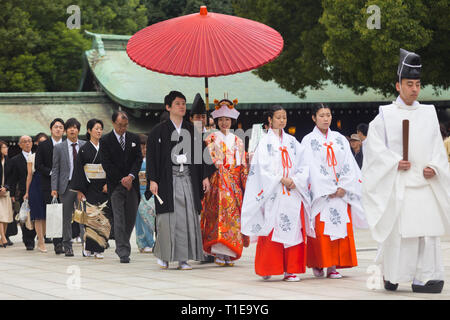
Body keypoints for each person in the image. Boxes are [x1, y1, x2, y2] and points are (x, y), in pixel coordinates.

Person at [362, 48, 450, 294]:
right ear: (398, 86)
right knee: (401, 234)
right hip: (400, 183)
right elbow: (374, 151)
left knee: (427, 234)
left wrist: (435, 166)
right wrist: (393, 162)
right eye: (409, 84)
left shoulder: (428, 113)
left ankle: (427, 278)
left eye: (417, 84)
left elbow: (437, 148)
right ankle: (393, 275)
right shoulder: (385, 116)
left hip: (425, 183)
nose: (414, 89)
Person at [241, 105, 312, 281]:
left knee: (293, 228)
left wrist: (296, 180)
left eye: (284, 117)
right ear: (270, 120)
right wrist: (281, 179)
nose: (282, 120)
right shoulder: (265, 143)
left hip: (292, 191)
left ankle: (291, 269)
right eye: (278, 117)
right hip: (274, 192)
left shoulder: (293, 142)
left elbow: (304, 164)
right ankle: (269, 267)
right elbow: (262, 169)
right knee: (272, 228)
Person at [146, 91, 212, 270]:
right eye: (177, 103)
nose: (182, 106)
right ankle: (164, 256)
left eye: (184, 103)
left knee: (188, 218)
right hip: (168, 179)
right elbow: (151, 158)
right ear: (168, 107)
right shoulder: (157, 131)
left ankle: (184, 258)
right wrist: (152, 180)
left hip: (188, 179)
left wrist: (205, 175)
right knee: (167, 219)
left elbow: (202, 153)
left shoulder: (192, 130)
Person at [301, 104, 367, 279]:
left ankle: (333, 265)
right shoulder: (308, 140)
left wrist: (343, 186)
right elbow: (310, 167)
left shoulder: (339, 139)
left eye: (328, 115)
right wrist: (327, 188)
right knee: (322, 230)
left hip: (340, 191)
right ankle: (319, 263)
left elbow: (349, 164)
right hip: (322, 193)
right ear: (314, 118)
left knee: (339, 228)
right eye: (321, 115)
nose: (325, 118)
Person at [201, 97, 248, 266]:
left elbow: (242, 163)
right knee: (218, 215)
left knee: (232, 217)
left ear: (232, 120)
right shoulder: (211, 138)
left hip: (234, 183)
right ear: (217, 121)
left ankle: (230, 251)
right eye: (221, 120)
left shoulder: (238, 140)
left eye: (227, 119)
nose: (224, 123)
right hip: (218, 181)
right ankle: (219, 253)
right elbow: (209, 160)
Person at [100, 110, 142, 263]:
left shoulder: (134, 138)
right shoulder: (105, 140)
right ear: (113, 123)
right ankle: (123, 250)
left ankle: (124, 244)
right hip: (116, 185)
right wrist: (121, 179)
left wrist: (131, 176)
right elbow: (106, 164)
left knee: (130, 218)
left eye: (125, 126)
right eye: (119, 125)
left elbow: (138, 159)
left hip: (132, 185)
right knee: (119, 218)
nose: (122, 128)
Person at [71, 119, 110, 259]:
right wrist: (80, 190)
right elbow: (79, 171)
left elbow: (110, 167)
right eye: (96, 128)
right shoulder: (83, 149)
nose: (99, 131)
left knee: (103, 218)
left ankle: (98, 248)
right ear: (89, 131)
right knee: (91, 218)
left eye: (101, 128)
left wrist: (108, 183)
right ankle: (90, 248)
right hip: (89, 187)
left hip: (103, 186)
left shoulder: (105, 147)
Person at [51, 118, 85, 257]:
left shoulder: (85, 145)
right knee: (66, 218)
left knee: (83, 217)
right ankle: (67, 246)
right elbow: (55, 168)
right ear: (66, 131)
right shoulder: (59, 147)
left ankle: (86, 245)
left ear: (78, 130)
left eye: (75, 127)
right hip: (66, 186)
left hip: (82, 186)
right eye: (70, 127)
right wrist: (54, 188)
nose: (72, 130)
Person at [35, 118, 65, 254]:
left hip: (65, 184)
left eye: (60, 127)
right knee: (54, 213)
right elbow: (38, 165)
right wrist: (52, 172)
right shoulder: (43, 145)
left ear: (63, 130)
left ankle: (63, 241)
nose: (58, 129)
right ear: (51, 129)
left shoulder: (66, 144)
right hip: (48, 184)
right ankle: (56, 243)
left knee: (64, 213)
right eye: (56, 127)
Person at [9, 136, 37, 250]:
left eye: (29, 141)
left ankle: (34, 236)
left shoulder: (37, 157)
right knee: (24, 217)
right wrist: (12, 194)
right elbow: (13, 178)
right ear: (20, 145)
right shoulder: (15, 160)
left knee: (36, 216)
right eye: (24, 142)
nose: (27, 144)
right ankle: (28, 240)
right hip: (22, 192)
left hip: (36, 190)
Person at [24, 133, 48, 252]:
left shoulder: (51, 155)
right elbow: (29, 175)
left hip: (47, 185)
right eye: (41, 142)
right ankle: (41, 241)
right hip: (35, 185)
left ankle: (42, 238)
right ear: (37, 143)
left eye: (45, 141)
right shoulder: (32, 157)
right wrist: (27, 191)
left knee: (46, 215)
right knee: (38, 215)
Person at [134, 133, 156, 253]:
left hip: (149, 192)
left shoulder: (152, 160)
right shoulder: (135, 160)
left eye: (146, 147)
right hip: (138, 192)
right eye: (141, 147)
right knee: (139, 219)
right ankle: (142, 243)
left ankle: (150, 241)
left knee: (149, 217)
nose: (144, 150)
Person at [0, 140, 14, 247]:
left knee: (6, 217)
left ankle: (2, 238)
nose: (6, 149)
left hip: (6, 192)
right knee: (1, 215)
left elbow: (11, 177)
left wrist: (6, 187)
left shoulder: (9, 161)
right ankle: (3, 238)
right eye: (4, 147)